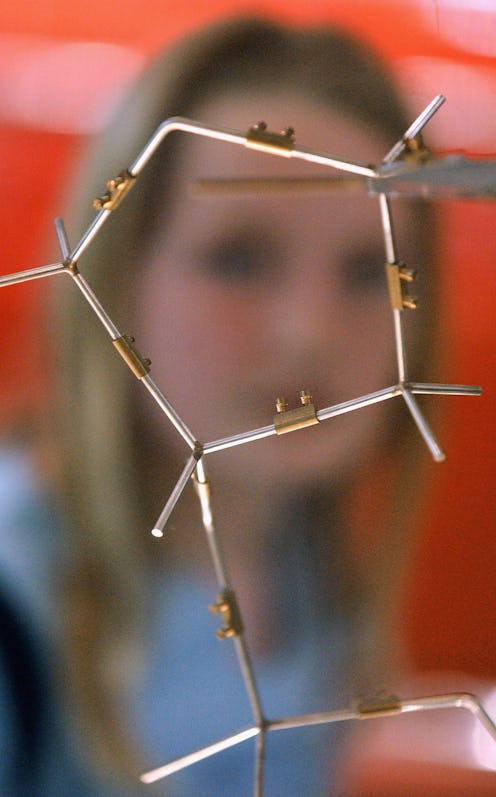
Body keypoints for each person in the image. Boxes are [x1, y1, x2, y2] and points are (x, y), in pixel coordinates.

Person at [2, 14, 437, 796]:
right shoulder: (17, 615)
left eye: (369, 272)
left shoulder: (304, 558)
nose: (309, 333)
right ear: (113, 276)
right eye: (238, 257)